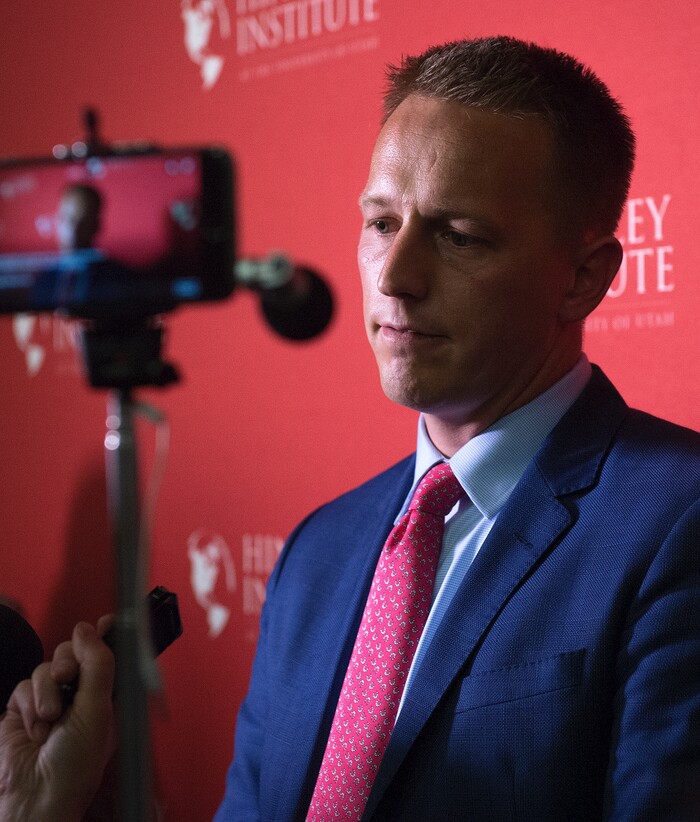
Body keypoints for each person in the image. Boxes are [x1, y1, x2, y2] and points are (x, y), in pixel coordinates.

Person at [2, 35, 700, 821]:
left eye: (459, 235)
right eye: (380, 222)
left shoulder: (677, 520)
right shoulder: (317, 553)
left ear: (585, 277)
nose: (397, 278)